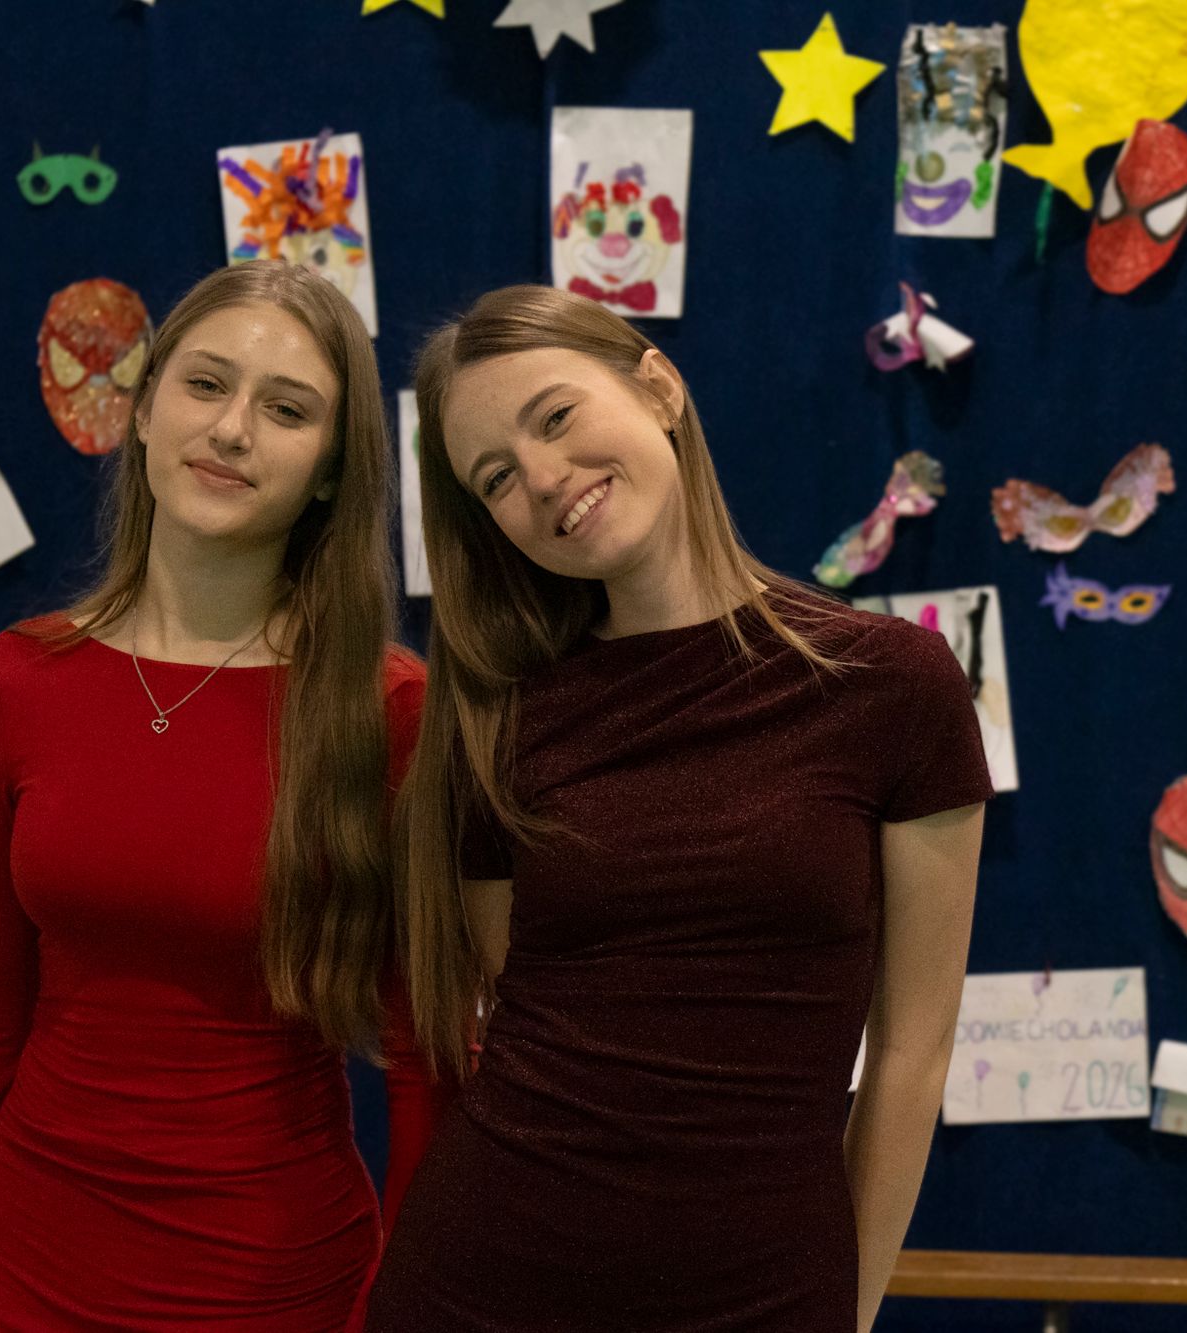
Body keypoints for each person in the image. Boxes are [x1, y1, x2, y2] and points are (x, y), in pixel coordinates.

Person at [368, 286, 990, 1333]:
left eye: (555, 416)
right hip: (485, 1280)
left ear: (656, 385)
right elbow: (517, 1014)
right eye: (496, 478)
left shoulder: (892, 684)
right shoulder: (497, 720)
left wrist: (848, 1310)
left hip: (767, 1292)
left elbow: (909, 1056)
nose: (543, 477)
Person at [0, 261, 449, 1332]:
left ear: (329, 471)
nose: (231, 429)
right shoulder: (16, 681)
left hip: (281, 1286)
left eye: (286, 410)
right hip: (23, 1270)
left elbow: (425, 1063)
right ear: (141, 410)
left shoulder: (388, 710)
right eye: (205, 384)